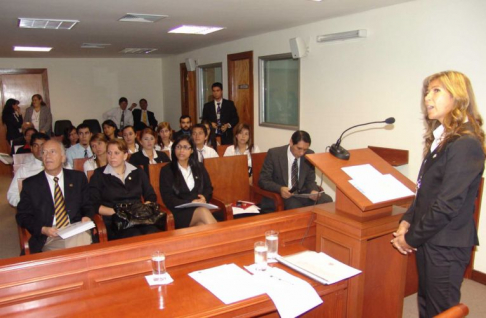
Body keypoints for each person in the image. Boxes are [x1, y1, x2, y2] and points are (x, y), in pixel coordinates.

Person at [391, 71, 485, 318]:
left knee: (441, 309)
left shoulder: (465, 143)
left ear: (457, 96)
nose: (427, 98)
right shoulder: (441, 138)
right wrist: (406, 220)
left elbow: (446, 205)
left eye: (436, 90)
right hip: (431, 237)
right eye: (426, 91)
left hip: (446, 243)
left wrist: (411, 238)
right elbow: (423, 191)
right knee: (426, 302)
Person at [16, 139, 93, 253]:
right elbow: (22, 216)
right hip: (49, 236)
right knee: (79, 249)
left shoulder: (78, 178)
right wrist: (43, 229)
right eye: (44, 152)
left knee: (79, 242)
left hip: (75, 229)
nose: (47, 156)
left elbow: (88, 204)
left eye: (52, 151)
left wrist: (87, 216)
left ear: (63, 157)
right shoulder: (31, 184)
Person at [89, 139, 160, 241]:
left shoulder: (137, 171)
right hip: (115, 221)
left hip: (139, 218)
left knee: (152, 233)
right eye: (109, 153)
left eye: (116, 153)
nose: (112, 156)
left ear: (125, 155)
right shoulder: (99, 175)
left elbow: (151, 195)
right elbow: (94, 203)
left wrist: (142, 210)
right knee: (135, 236)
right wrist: (117, 212)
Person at [259, 130, 332, 211]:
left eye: (305, 149)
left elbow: (310, 180)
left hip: (303, 193)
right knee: (296, 206)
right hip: (282, 195)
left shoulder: (309, 154)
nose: (302, 153)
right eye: (299, 148)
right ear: (291, 142)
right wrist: (280, 188)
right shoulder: (274, 154)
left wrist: (313, 190)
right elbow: (263, 180)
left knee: (326, 200)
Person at [159, 135, 217, 229]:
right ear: (174, 149)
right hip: (178, 211)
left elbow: (208, 188)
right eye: (178, 147)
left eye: (185, 147)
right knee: (203, 211)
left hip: (198, 208)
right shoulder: (167, 170)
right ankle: (227, 240)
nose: (181, 151)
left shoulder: (199, 167)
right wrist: (190, 202)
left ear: (192, 150)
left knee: (202, 227)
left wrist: (204, 198)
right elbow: (167, 198)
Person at [8, 133, 50, 207]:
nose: (39, 149)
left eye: (42, 145)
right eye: (35, 145)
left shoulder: (61, 166)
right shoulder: (24, 170)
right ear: (31, 148)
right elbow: (12, 194)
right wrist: (26, 204)